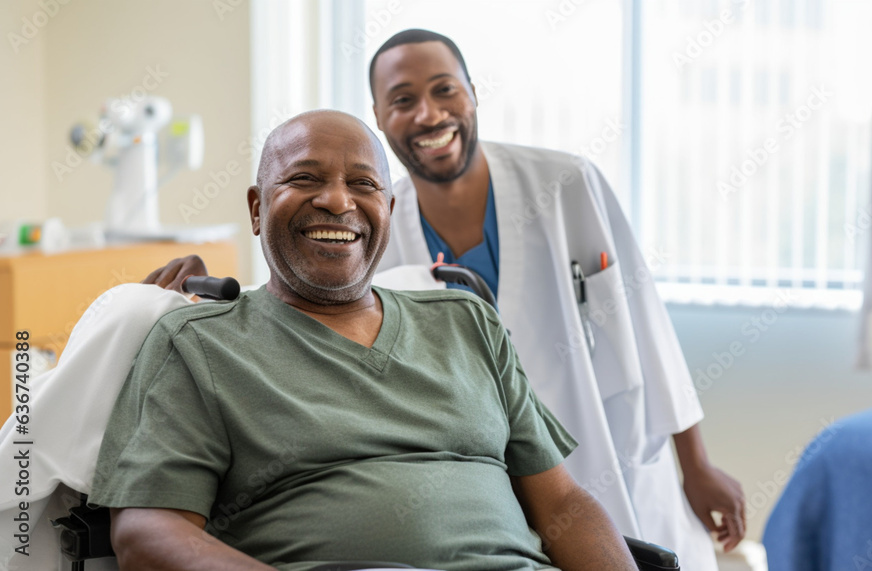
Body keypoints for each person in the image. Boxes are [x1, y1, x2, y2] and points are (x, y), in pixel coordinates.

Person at [147, 29, 746, 569]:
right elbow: (304, 285)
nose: (427, 112)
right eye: (403, 99)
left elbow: (646, 326)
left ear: (473, 95)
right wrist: (204, 289)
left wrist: (696, 464)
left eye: (444, 89)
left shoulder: (557, 196)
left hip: (587, 456)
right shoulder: (216, 339)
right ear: (381, 115)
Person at [91, 110, 639, 571]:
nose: (337, 201)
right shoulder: (201, 344)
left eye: (364, 184)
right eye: (305, 179)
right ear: (257, 209)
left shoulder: (467, 322)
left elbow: (563, 502)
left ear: (389, 210)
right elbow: (147, 533)